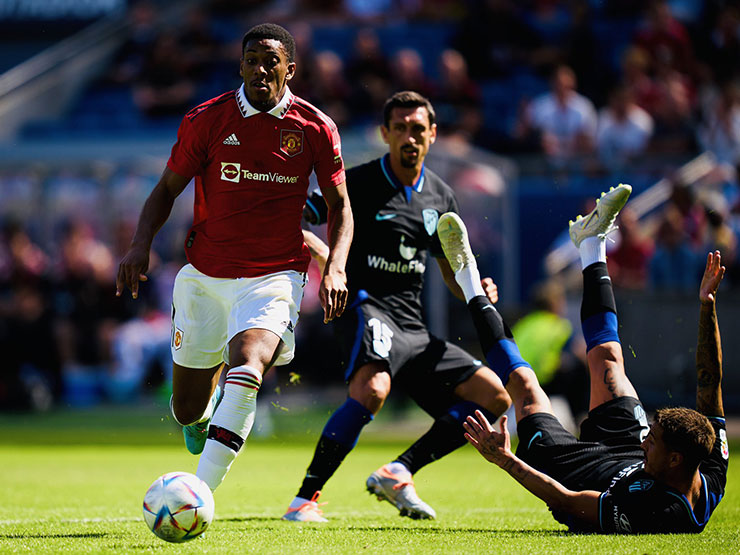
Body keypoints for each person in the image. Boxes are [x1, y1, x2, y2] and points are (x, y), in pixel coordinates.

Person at [116, 23, 353, 492]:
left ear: (290, 67)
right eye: (251, 59)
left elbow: (340, 206)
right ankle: (200, 417)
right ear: (240, 65)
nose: (260, 69)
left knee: (248, 366)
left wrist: (336, 267)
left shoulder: (315, 127)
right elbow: (166, 190)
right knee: (186, 407)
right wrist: (140, 244)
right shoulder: (207, 120)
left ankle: (198, 492)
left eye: (270, 60)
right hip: (205, 276)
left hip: (274, 275)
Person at [437, 184, 727, 533]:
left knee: (526, 388)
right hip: (628, 456)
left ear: (676, 459)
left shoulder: (656, 512)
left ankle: (467, 278)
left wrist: (505, 460)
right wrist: (707, 306)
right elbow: (710, 381)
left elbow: (566, 500)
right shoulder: (709, 467)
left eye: (653, 439)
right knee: (609, 359)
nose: (645, 437)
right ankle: (592, 242)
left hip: (576, 473)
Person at [281, 91, 511, 522]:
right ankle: (303, 500)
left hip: (413, 327)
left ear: (433, 135)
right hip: (365, 308)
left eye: (418, 129)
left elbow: (450, 273)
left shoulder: (441, 197)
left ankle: (400, 470)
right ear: (385, 134)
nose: (410, 136)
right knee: (373, 390)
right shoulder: (360, 183)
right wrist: (320, 252)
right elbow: (291, 217)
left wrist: (476, 290)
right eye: (400, 128)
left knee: (495, 396)